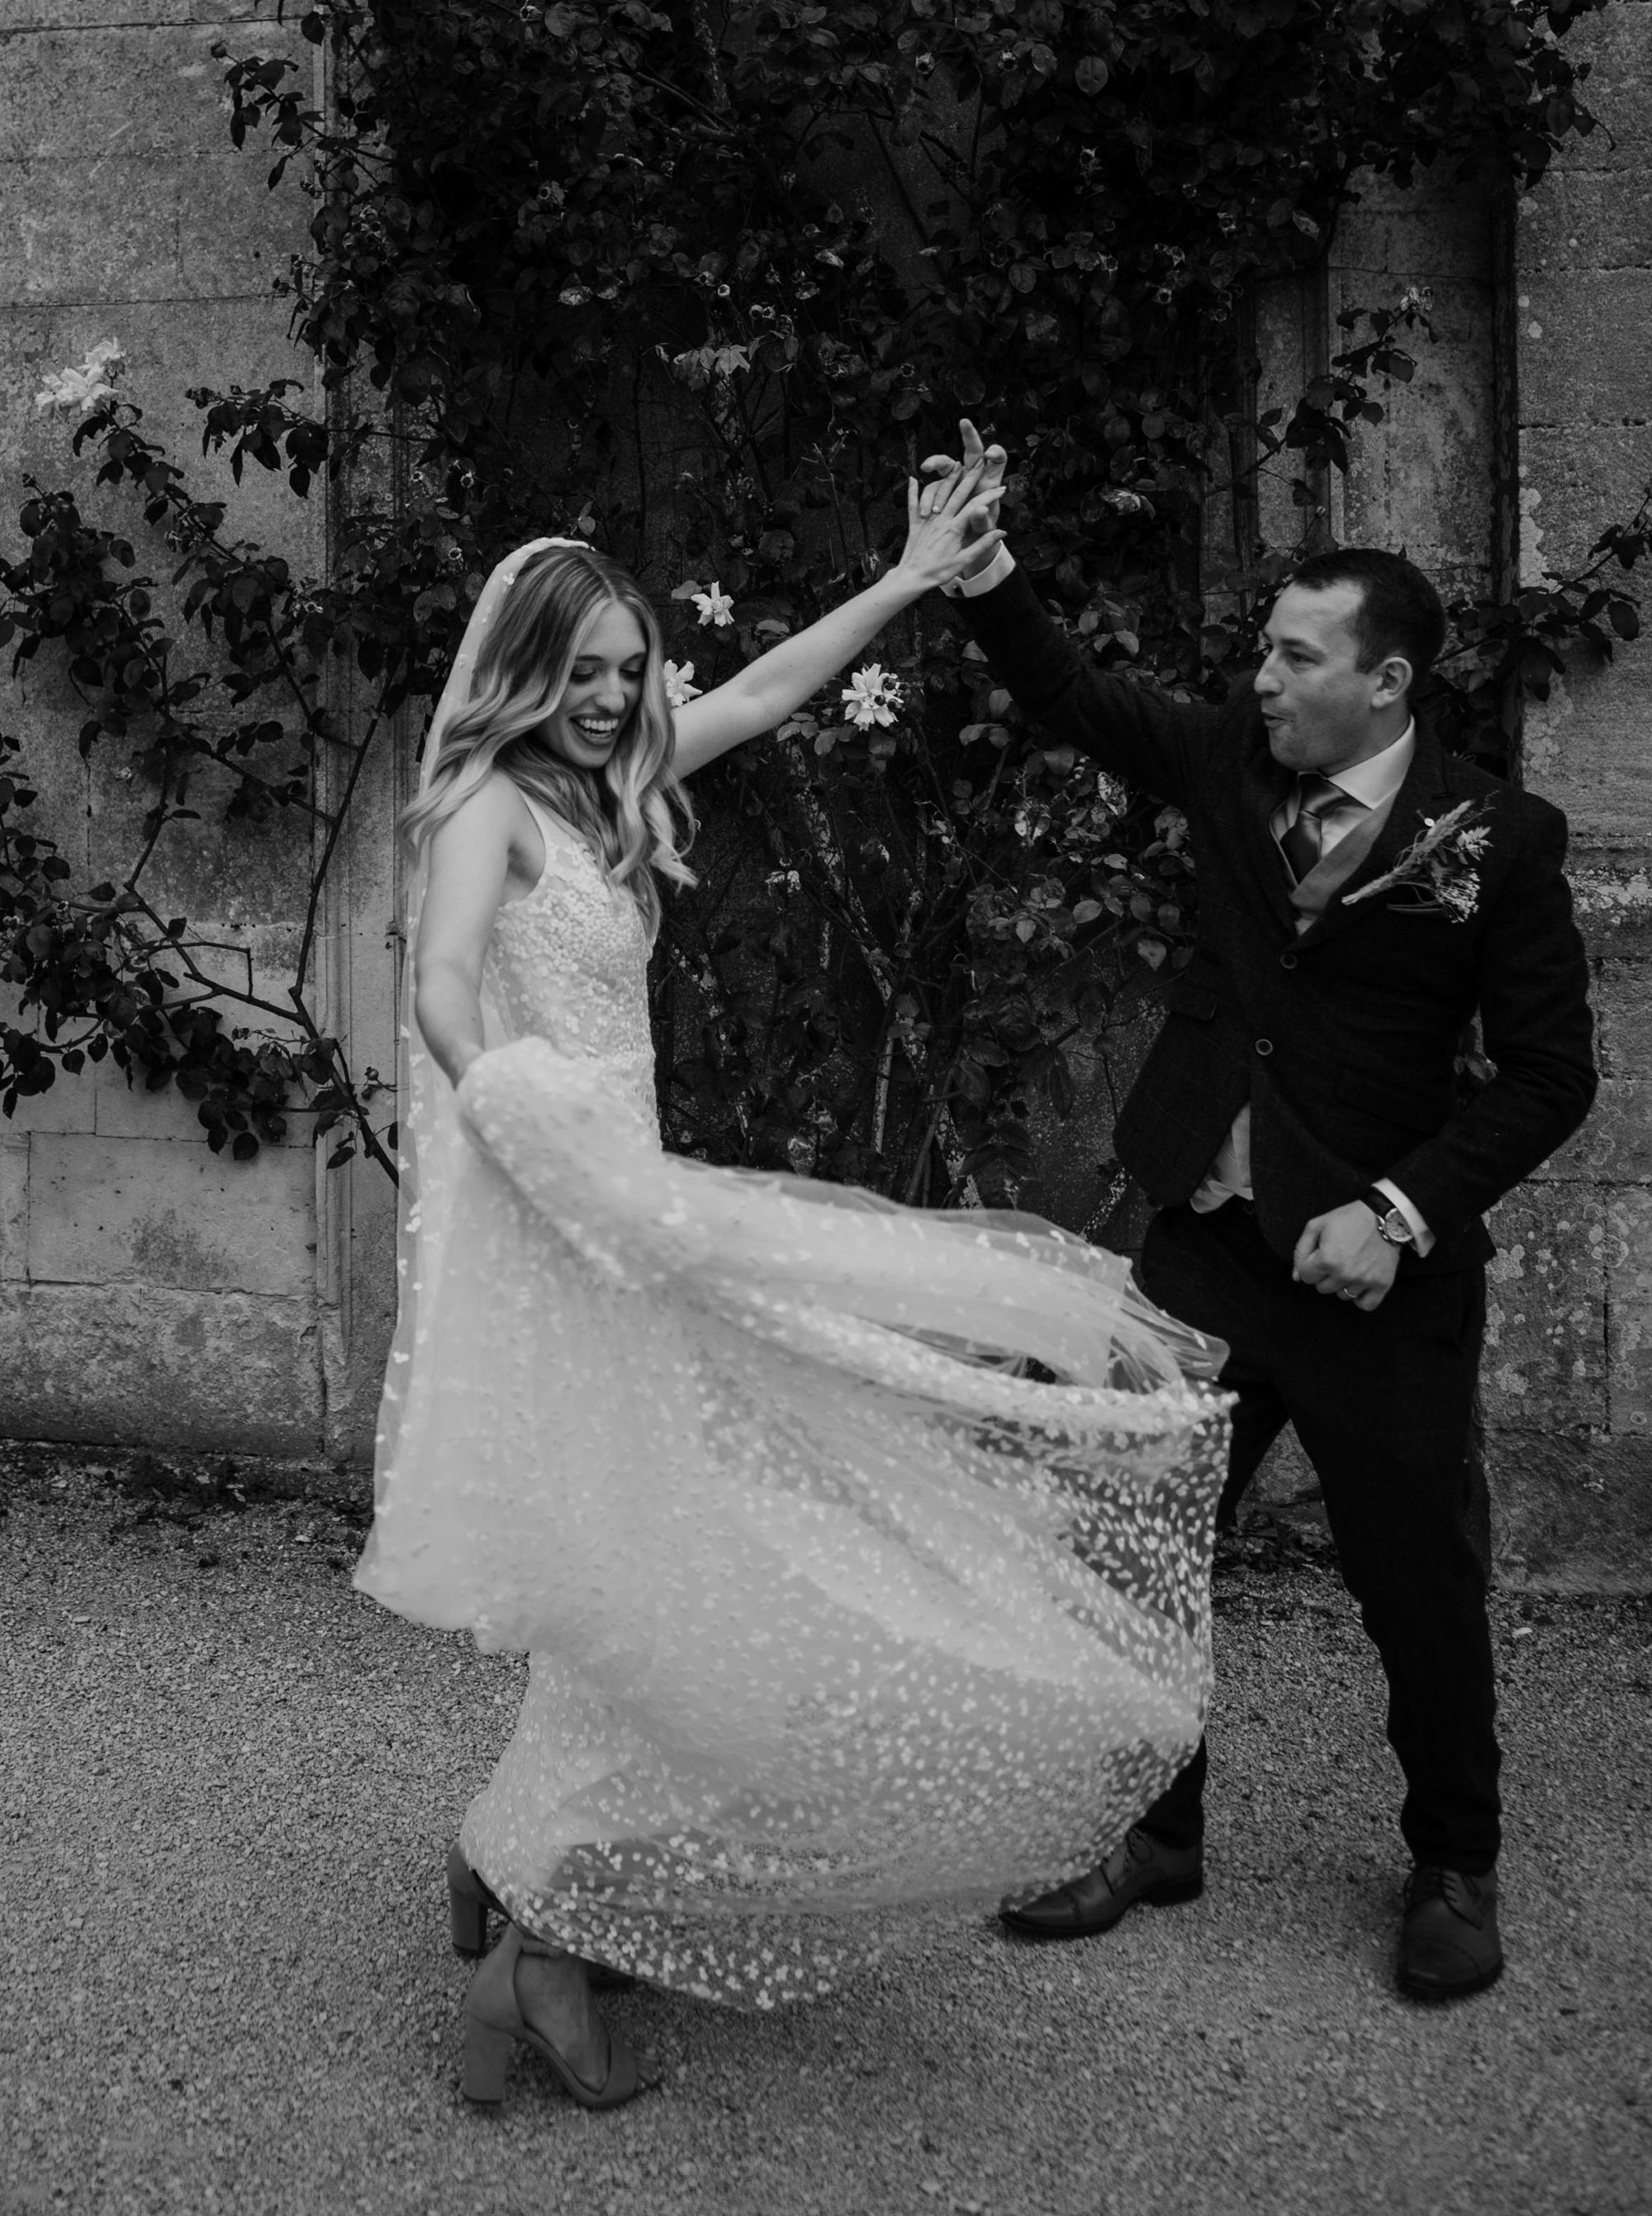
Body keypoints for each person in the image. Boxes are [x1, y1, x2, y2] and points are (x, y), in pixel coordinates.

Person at [354, 466, 1233, 2112]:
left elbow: (757, 689)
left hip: (648, 1216)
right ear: (524, 670)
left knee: (648, 1552)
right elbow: (448, 989)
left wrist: (907, 577)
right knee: (650, 1560)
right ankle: (534, 1923)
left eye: (629, 671)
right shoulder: (485, 806)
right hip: (565, 1219)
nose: (619, 700)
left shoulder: (604, 783)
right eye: (589, 674)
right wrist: (512, 1110)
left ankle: (516, 1877)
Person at [927, 421, 1597, 2000]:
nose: (1268, 680)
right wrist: (987, 573)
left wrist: (1402, 1210)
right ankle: (1157, 1832)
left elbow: (1550, 1078)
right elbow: (1078, 700)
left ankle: (1454, 1859)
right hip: (1205, 1256)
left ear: (1389, 682)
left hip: (1375, 1278)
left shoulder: (1500, 840)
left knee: (1415, 1584)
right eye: (1265, 655)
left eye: (1299, 658)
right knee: (1140, 1551)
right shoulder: (1234, 758)